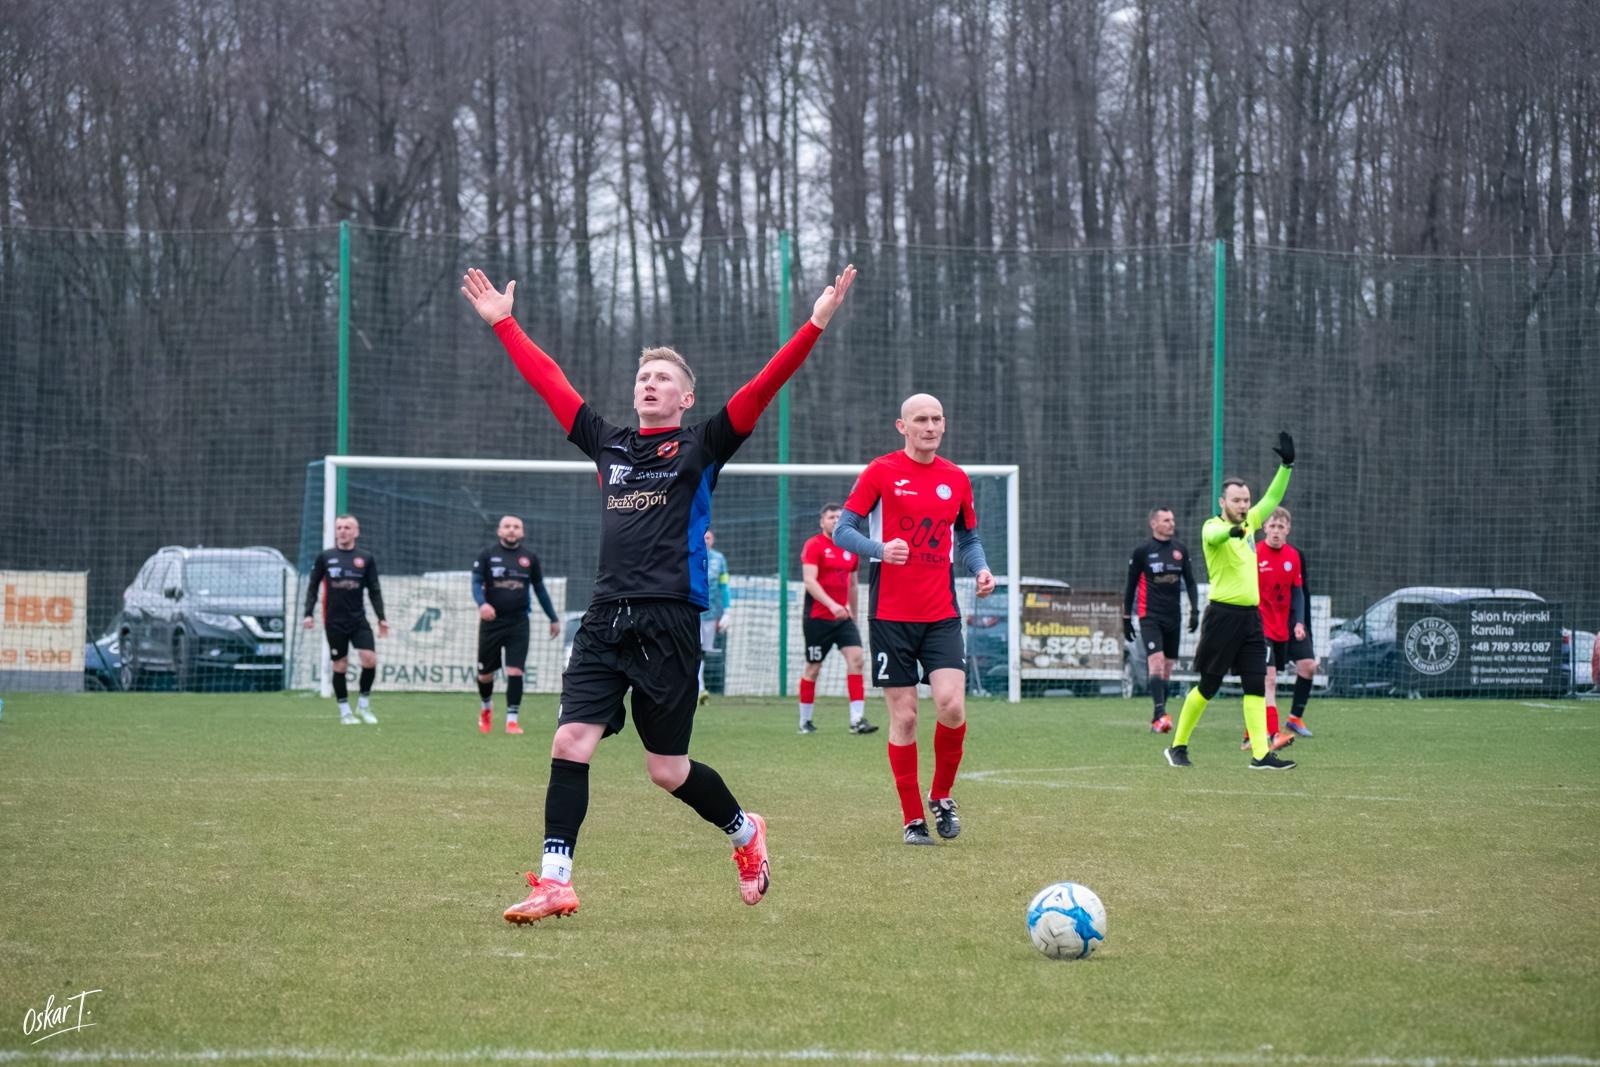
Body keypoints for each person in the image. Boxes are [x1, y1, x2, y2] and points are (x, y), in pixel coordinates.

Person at [461, 261, 856, 921]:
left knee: (667, 770)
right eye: (643, 376)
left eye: (663, 377)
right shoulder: (608, 445)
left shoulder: (703, 446)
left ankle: (745, 832)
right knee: (569, 743)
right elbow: (551, 382)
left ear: (685, 398)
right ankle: (556, 880)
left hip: (670, 622)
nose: (649, 382)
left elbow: (765, 384)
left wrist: (814, 323)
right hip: (604, 621)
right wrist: (506, 325)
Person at [832, 393, 995, 845]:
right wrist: (879, 549)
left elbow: (968, 537)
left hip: (941, 613)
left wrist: (979, 568)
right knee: (904, 718)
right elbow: (845, 530)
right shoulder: (881, 472)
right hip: (890, 616)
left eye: (936, 418)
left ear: (944, 424)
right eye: (920, 419)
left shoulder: (956, 479)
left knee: (952, 705)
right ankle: (912, 819)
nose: (930, 426)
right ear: (901, 427)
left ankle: (941, 796)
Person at [1164, 432, 1298, 771]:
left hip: (1252, 620)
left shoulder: (1252, 522)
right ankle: (1177, 747)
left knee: (1255, 684)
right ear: (1223, 503)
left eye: (1245, 500)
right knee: (1208, 687)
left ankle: (1260, 755)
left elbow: (1272, 497)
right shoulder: (1214, 526)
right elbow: (1214, 535)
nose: (1243, 505)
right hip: (1222, 617)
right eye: (1236, 500)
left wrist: (1286, 466)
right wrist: (1232, 532)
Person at [472, 515, 561, 735]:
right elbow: (475, 582)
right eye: (507, 526)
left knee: (515, 671)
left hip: (519, 623)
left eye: (516, 527)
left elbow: (540, 589)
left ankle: (512, 720)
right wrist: (482, 604)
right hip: (491, 623)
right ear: (499, 531)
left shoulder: (529, 558)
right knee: (485, 675)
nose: (512, 530)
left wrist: (553, 617)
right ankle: (486, 709)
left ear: (522, 532)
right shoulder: (487, 555)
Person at [302, 514, 389, 725]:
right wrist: (308, 613)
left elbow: (374, 590)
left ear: (356, 532)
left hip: (358, 620)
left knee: (369, 659)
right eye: (339, 527)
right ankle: (345, 712)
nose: (342, 531)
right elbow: (313, 587)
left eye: (347, 527)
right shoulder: (325, 557)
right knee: (340, 665)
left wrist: (381, 618)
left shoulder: (365, 558)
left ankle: (364, 705)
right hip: (334, 621)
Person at [797, 502, 876, 735]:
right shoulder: (813, 545)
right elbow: (809, 581)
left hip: (843, 619)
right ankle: (805, 721)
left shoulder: (850, 548)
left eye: (839, 517)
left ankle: (857, 719)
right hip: (817, 619)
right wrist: (832, 606)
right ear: (822, 521)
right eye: (831, 517)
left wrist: (854, 612)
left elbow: (852, 584)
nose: (835, 520)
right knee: (813, 668)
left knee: (857, 659)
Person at [1121, 506, 1199, 734]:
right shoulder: (1142, 551)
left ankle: (1160, 715)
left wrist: (1194, 611)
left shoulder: (1180, 550)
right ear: (1153, 524)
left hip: (1173, 617)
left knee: (1166, 668)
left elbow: (1191, 582)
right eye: (1166, 520)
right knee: (1155, 662)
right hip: (1149, 616)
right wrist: (1126, 618)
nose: (1171, 524)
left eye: (1172, 520)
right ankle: (1160, 715)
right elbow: (1130, 585)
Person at [1252, 507, 1316, 741]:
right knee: (1269, 679)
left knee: (1309, 666)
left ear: (1288, 529)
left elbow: (1299, 593)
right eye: (1272, 526)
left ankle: (1295, 718)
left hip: (1288, 623)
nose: (1276, 531)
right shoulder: (1254, 553)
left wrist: (1300, 622)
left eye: (1281, 527)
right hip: (1262, 623)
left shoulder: (1294, 556)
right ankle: (1270, 731)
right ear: (1264, 528)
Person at [697, 529, 730, 705]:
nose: (706, 541)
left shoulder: (719, 559)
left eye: (708, 537)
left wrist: (727, 611)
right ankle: (699, 688)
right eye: (703, 538)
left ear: (713, 539)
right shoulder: (691, 554)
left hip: (711, 613)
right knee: (694, 649)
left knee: (703, 651)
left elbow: (724, 586)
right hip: (693, 612)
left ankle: (699, 687)